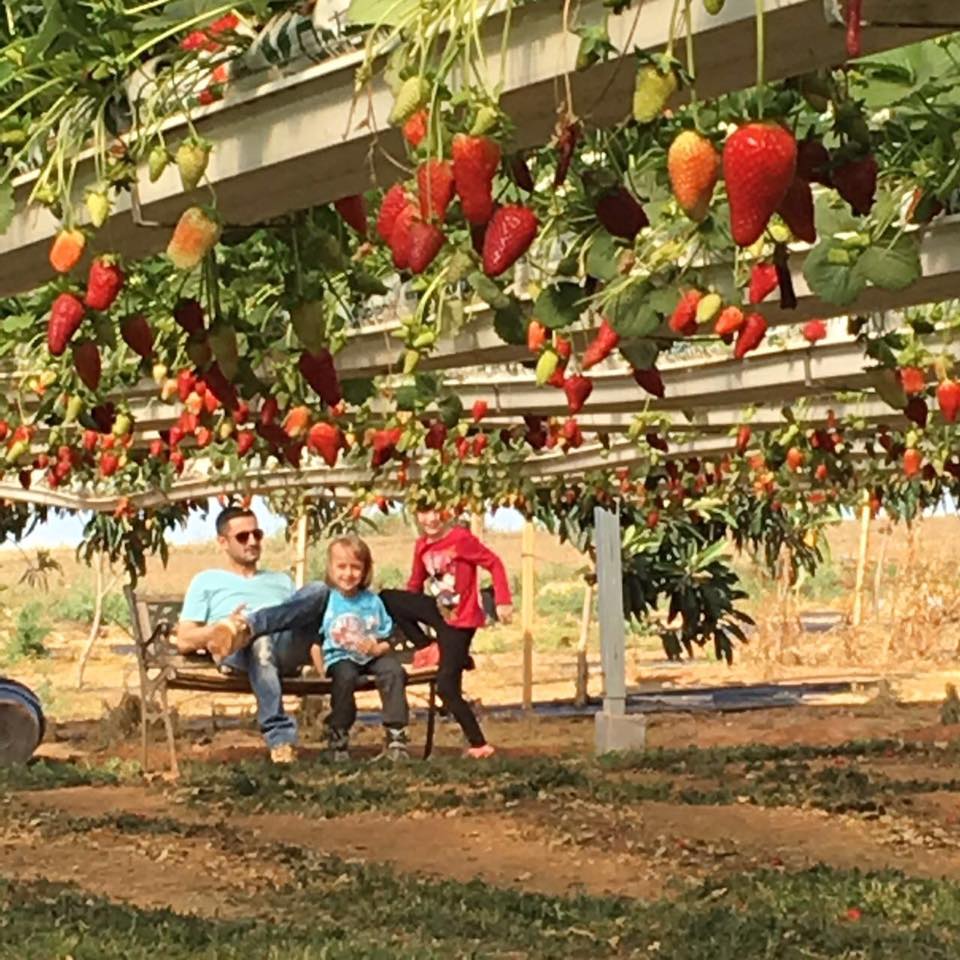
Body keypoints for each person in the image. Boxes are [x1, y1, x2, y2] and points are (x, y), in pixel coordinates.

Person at [176, 506, 326, 764]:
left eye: (257, 533)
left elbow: (297, 615)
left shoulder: (281, 580)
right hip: (235, 652)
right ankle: (280, 740)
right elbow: (184, 640)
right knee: (260, 642)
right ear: (223, 542)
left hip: (285, 649)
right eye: (243, 536)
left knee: (320, 588)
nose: (253, 541)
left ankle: (251, 624)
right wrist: (220, 628)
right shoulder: (206, 581)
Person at [381, 508, 512, 759]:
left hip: (461, 621)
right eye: (424, 512)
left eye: (437, 512)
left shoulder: (461, 539)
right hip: (439, 611)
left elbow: (494, 563)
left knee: (446, 687)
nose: (431, 519)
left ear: (449, 512)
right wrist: (406, 619)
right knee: (388, 598)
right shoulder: (421, 546)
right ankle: (428, 647)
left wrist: (503, 599)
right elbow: (415, 585)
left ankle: (479, 744)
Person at [310, 535, 409, 762]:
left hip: (371, 656)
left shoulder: (372, 601)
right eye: (341, 567)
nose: (348, 573)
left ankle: (396, 734)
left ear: (365, 570)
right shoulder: (326, 600)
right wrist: (321, 667)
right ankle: (339, 736)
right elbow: (315, 641)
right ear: (330, 568)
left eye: (355, 567)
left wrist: (378, 648)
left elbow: (389, 637)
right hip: (340, 657)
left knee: (393, 671)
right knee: (344, 676)